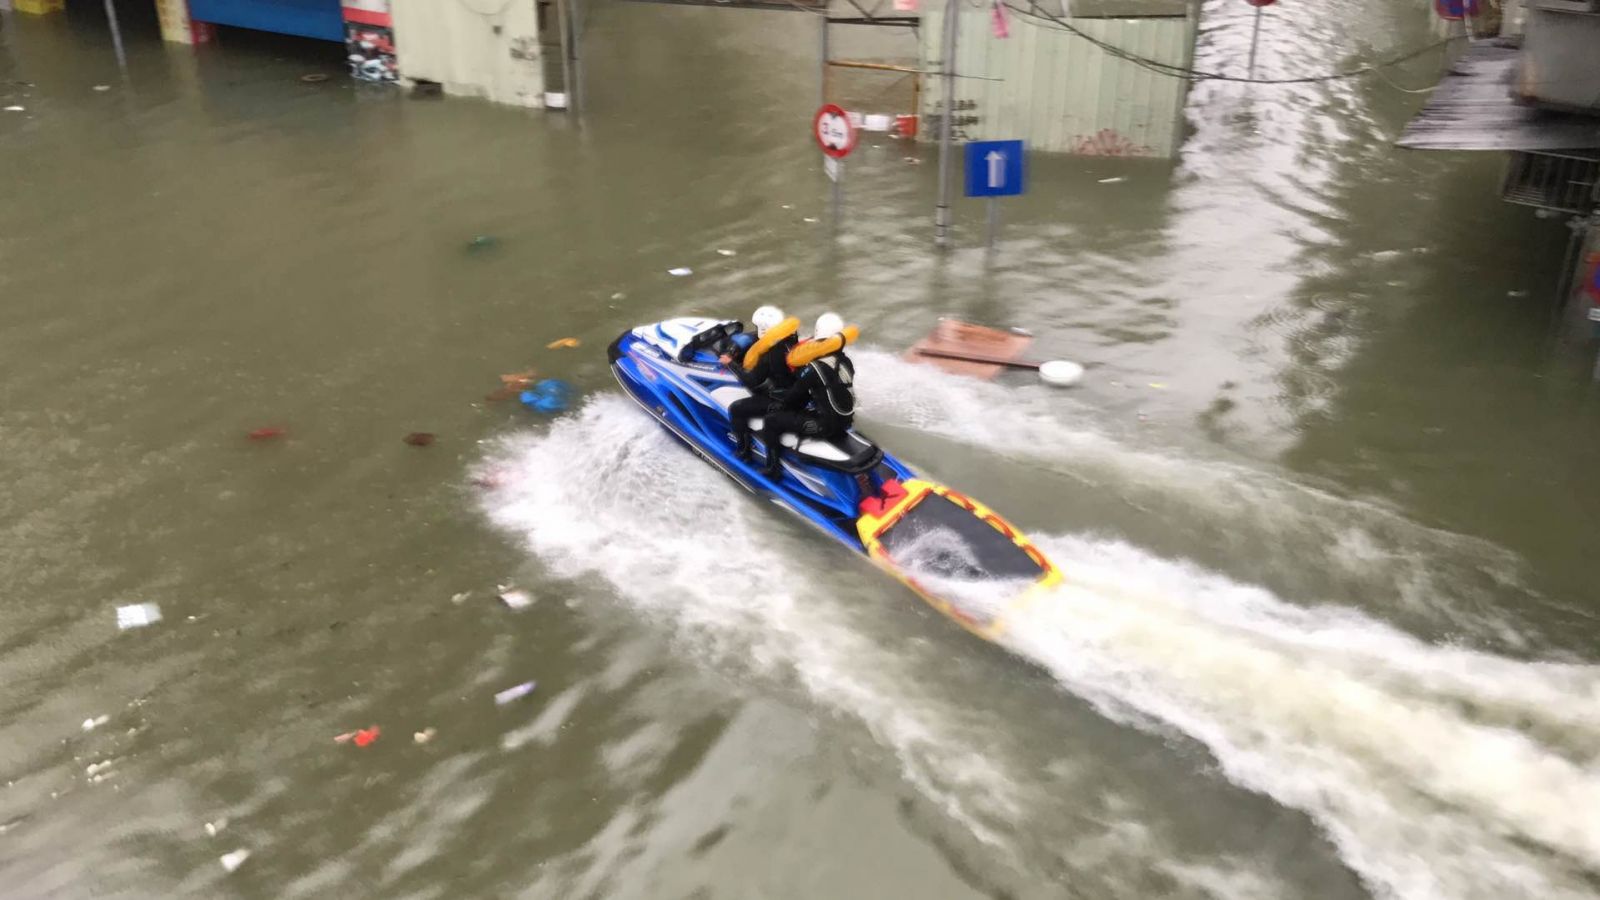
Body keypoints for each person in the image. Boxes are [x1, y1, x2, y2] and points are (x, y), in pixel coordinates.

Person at [758, 312, 858, 478]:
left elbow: (793, 397)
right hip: (845, 421)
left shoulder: (814, 369)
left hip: (825, 426)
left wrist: (779, 404)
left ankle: (772, 469)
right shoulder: (846, 362)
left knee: (771, 421)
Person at [721, 306, 800, 463]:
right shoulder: (790, 339)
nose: (756, 329)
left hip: (778, 399)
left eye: (757, 327)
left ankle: (744, 452)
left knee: (736, 409)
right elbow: (758, 339)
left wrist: (731, 363)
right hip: (796, 391)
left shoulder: (768, 355)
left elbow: (751, 380)